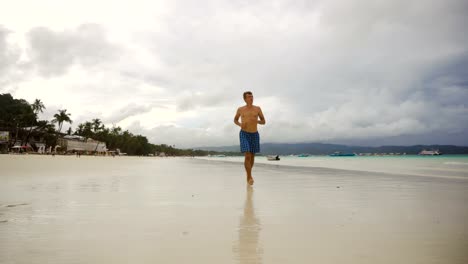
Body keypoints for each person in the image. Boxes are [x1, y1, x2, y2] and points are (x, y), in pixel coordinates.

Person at [234, 91, 266, 185]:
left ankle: (249, 174)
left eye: (252, 96)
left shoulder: (257, 109)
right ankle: (249, 177)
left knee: (252, 156)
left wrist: (257, 121)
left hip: (254, 134)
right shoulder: (240, 109)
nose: (251, 98)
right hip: (244, 133)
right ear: (245, 99)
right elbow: (235, 120)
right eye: (249, 97)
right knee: (247, 154)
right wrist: (240, 124)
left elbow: (264, 121)